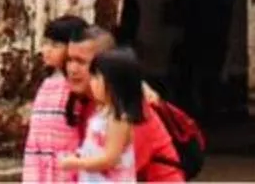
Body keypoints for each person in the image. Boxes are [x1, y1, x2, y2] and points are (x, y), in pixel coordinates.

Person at [62, 48, 184, 182]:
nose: (92, 82)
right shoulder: (101, 111)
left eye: (97, 77)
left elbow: (110, 159)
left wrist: (77, 163)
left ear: (115, 83)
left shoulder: (119, 118)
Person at [167, 0, 239, 122]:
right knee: (195, 73)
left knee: (204, 73)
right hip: (202, 29)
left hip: (207, 28)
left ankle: (203, 111)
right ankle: (196, 111)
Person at [24, 15, 92, 184]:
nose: (46, 49)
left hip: (67, 166)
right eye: (46, 43)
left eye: (55, 45)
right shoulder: (46, 83)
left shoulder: (80, 85)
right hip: (39, 163)